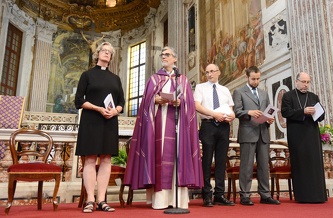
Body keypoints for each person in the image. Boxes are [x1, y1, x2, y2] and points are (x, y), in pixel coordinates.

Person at [124, 46, 203, 209]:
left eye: (167, 55)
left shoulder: (183, 80)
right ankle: (160, 199)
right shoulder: (154, 79)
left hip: (178, 124)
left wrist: (181, 103)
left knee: (177, 157)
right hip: (158, 123)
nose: (164, 57)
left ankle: (177, 199)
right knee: (159, 157)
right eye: (162, 55)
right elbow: (145, 102)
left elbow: (190, 103)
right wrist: (155, 100)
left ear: (175, 59)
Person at [75, 42, 125, 213]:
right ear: (97, 54)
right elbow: (78, 101)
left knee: (106, 159)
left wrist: (115, 111)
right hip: (91, 120)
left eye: (109, 52)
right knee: (89, 159)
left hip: (109, 122)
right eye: (103, 51)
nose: (106, 53)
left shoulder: (115, 78)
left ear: (111, 57)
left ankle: (102, 200)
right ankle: (90, 200)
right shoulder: (87, 75)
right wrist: (97, 108)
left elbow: (121, 103)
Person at [232, 66, 280, 205]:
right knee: (246, 166)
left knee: (264, 166)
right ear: (247, 77)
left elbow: (269, 110)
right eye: (253, 79)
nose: (256, 81)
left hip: (263, 132)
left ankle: (265, 195)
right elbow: (237, 111)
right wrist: (249, 112)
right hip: (248, 132)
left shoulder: (264, 93)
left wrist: (270, 118)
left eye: (258, 78)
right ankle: (245, 195)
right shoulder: (239, 92)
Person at [281, 72, 327, 203]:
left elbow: (322, 115)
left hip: (312, 134)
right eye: (303, 82)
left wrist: (317, 113)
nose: (305, 85)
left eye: (308, 82)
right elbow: (285, 112)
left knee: (314, 163)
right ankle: (303, 196)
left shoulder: (313, 97)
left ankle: (318, 196)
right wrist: (303, 111)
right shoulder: (288, 96)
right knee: (301, 163)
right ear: (296, 81)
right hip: (297, 135)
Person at [194, 63, 236, 207]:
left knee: (221, 161)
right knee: (206, 160)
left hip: (224, 126)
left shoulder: (225, 90)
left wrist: (232, 116)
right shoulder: (200, 87)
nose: (210, 74)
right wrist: (214, 114)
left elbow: (231, 109)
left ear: (218, 72)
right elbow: (197, 106)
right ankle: (206, 194)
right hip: (208, 125)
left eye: (212, 71)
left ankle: (219, 194)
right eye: (207, 72)